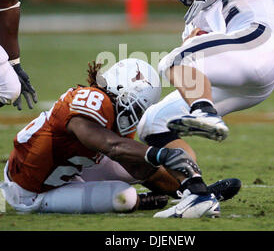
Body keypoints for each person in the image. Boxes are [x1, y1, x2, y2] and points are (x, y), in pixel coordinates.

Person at [136, 0, 274, 216]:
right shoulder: (192, 18)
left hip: (257, 42)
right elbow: (201, 57)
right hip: (240, 79)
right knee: (153, 124)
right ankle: (198, 195)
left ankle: (205, 113)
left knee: (175, 60)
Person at [0, 57, 225, 218]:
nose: (135, 117)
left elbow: (139, 168)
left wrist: (191, 187)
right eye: (136, 108)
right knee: (125, 197)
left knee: (132, 165)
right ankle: (140, 201)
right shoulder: (92, 100)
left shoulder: (113, 112)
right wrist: (161, 154)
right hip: (31, 189)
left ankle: (185, 192)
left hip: (64, 164)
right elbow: (111, 146)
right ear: (122, 91)